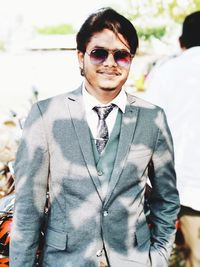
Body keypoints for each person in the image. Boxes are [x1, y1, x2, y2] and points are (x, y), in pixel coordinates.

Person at [10, 7, 180, 267]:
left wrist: (157, 258)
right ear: (81, 57)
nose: (110, 63)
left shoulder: (152, 118)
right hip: (64, 261)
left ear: (131, 60)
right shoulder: (46, 115)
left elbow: (166, 198)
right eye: (99, 53)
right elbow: (27, 207)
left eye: (121, 56)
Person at [144, 11, 200, 267]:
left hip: (184, 189)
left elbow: (147, 131)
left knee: (193, 258)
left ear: (181, 42)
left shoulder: (165, 72)